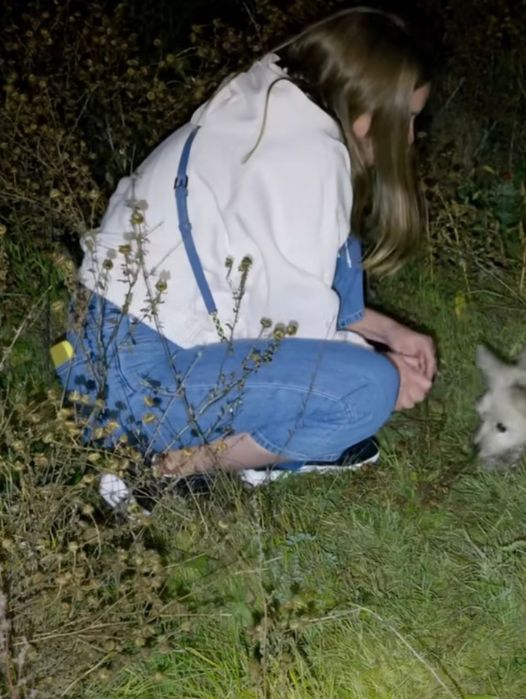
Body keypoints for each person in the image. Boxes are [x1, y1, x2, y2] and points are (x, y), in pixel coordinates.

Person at [53, 7, 438, 508]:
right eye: (407, 118)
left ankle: (187, 448)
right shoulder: (311, 160)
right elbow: (288, 331)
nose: (409, 137)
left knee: (346, 251)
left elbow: (290, 277)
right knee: (366, 389)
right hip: (142, 386)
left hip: (96, 354)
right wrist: (380, 367)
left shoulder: (269, 100)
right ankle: (166, 466)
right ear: (368, 113)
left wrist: (389, 332)